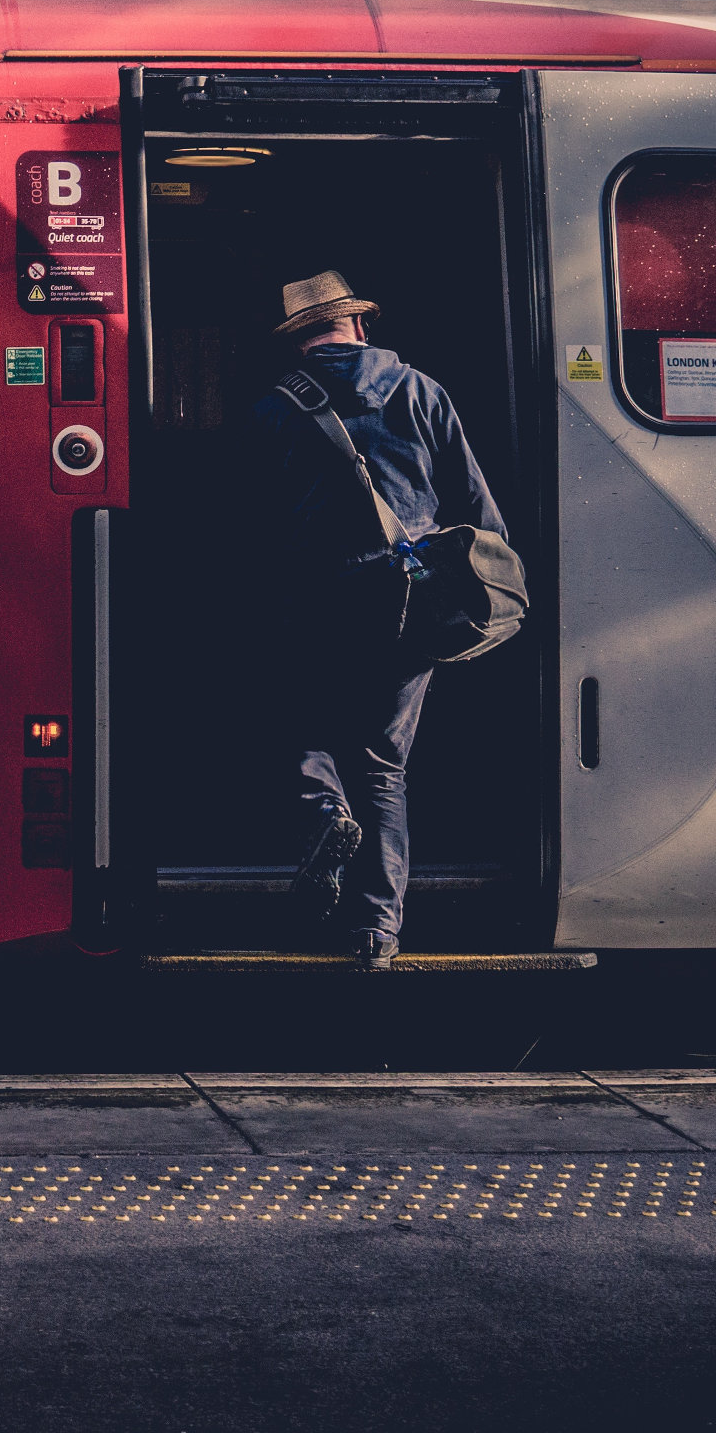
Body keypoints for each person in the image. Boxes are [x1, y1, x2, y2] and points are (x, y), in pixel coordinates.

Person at [245, 270, 506, 972]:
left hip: (312, 602)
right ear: (359, 325)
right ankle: (375, 932)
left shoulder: (275, 409)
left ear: (302, 338)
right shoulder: (422, 391)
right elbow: (479, 510)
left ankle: (327, 815)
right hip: (407, 602)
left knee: (298, 730)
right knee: (383, 766)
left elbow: (251, 525)